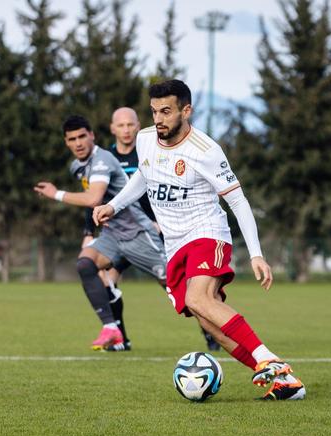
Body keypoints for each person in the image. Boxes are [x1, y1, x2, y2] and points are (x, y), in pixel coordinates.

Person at [93, 79, 305, 400]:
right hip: (174, 244)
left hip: (207, 234)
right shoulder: (146, 139)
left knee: (198, 299)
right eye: (154, 112)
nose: (159, 119)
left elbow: (238, 201)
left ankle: (269, 360)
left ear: (186, 110)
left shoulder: (205, 150)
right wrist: (113, 204)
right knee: (209, 322)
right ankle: (285, 383)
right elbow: (143, 176)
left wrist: (256, 254)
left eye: (166, 111)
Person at [83, 107, 220, 352]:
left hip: (150, 233)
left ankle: (210, 332)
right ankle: (120, 339)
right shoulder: (107, 159)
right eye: (121, 125)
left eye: (130, 125)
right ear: (112, 128)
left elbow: (161, 190)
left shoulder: (149, 151)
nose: (126, 130)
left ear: (138, 126)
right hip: (116, 235)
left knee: (175, 286)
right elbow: (94, 196)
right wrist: (88, 232)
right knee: (106, 282)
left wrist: (159, 221)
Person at [34, 115, 167, 351]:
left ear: (92, 135)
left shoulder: (103, 160)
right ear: (66, 142)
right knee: (85, 264)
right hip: (112, 237)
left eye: (82, 136)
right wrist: (89, 232)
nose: (78, 143)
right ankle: (111, 329)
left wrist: (56, 194)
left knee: (182, 296)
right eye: (72, 139)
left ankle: (219, 326)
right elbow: (92, 204)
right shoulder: (77, 166)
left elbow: (94, 198)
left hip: (138, 234)